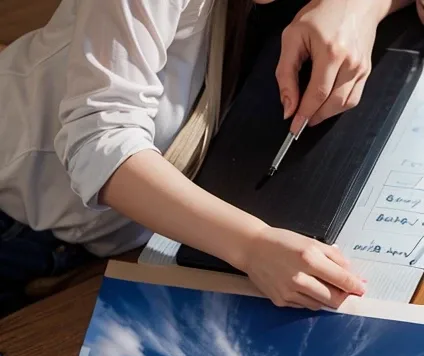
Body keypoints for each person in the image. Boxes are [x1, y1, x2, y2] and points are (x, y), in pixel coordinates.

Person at [0, 0, 419, 313]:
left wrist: (360, 7)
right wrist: (253, 246)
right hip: (18, 213)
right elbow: (98, 140)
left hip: (140, 236)